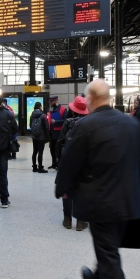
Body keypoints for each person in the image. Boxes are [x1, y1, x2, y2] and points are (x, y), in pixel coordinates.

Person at [55, 80, 140, 279]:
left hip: (101, 201)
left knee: (108, 253)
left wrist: (62, 188)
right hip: (128, 199)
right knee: (108, 246)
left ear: (90, 99)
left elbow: (70, 162)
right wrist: (138, 196)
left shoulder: (86, 125)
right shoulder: (132, 123)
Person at [56, 96, 90, 231]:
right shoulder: (89, 123)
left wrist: (59, 160)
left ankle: (67, 220)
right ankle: (81, 222)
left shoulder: (68, 121)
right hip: (84, 161)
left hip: (67, 160)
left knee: (67, 189)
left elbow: (60, 141)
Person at [47, 95, 67, 169]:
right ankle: (54, 163)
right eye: (50, 102)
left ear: (56, 101)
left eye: (51, 102)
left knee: (58, 148)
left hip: (59, 133)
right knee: (51, 148)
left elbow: (66, 120)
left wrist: (56, 122)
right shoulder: (51, 110)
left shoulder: (63, 109)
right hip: (51, 132)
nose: (50, 103)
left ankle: (59, 163)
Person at [29, 102, 49, 173]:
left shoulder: (32, 115)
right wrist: (47, 136)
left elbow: (30, 125)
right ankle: (40, 168)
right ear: (40, 107)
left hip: (34, 136)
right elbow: (46, 126)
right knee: (40, 152)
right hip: (41, 136)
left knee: (35, 151)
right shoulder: (43, 115)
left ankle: (34, 167)